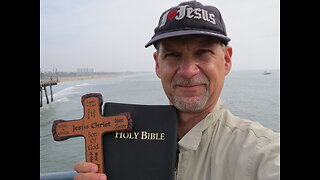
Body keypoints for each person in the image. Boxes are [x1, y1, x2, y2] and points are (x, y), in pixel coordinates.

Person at [73, 1, 280, 180]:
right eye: (173, 55)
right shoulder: (116, 143)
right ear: (157, 65)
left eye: (203, 52)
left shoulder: (260, 152)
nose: (188, 71)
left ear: (226, 60)